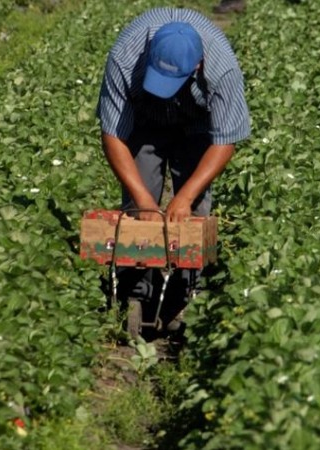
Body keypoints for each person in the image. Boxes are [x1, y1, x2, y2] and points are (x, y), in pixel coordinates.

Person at [97, 8, 250, 324]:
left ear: (198, 65)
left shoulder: (222, 68)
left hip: (197, 126)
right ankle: (135, 293)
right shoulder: (125, 57)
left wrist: (184, 196)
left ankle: (182, 295)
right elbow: (113, 134)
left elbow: (225, 140)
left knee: (192, 214)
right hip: (145, 122)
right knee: (140, 213)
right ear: (150, 53)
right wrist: (144, 201)